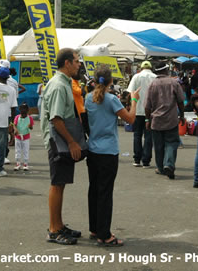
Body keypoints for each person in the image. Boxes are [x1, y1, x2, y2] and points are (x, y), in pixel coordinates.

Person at [84, 65, 139, 247]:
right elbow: (130, 119)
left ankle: (95, 228)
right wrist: (134, 100)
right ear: (110, 82)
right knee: (105, 193)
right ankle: (104, 234)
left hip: (93, 149)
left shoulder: (88, 98)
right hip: (108, 151)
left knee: (94, 190)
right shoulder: (111, 100)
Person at [41, 48, 83, 245]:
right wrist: (72, 141)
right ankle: (53, 229)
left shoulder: (64, 83)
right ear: (67, 63)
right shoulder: (59, 85)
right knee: (57, 184)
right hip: (58, 140)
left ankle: (58, 224)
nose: (79, 64)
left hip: (61, 140)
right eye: (76, 61)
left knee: (61, 183)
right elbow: (56, 119)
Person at [145, 63, 185, 180]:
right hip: (171, 119)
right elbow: (181, 101)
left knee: (158, 146)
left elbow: (147, 106)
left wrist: (147, 120)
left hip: (156, 120)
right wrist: (181, 115)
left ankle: (161, 168)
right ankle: (169, 164)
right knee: (171, 143)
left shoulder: (152, 84)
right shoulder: (174, 83)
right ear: (167, 70)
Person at [127, 61, 156, 168]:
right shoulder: (155, 77)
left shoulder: (136, 76)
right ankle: (146, 161)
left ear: (141, 68)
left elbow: (131, 92)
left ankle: (137, 159)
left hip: (137, 110)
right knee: (149, 136)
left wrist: (130, 105)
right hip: (151, 111)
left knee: (137, 135)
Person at [13, 103, 33, 171]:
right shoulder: (17, 117)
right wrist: (15, 130)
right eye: (22, 114)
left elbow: (31, 127)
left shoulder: (30, 118)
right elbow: (14, 125)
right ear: (20, 111)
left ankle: (25, 163)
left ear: (27, 112)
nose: (23, 116)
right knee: (17, 150)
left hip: (26, 137)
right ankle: (18, 163)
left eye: (25, 114)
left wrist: (30, 126)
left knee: (25, 150)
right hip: (18, 136)